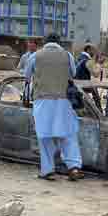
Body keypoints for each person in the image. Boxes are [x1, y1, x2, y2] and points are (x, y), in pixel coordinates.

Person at [24, 33, 84, 181]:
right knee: (68, 134)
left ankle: (48, 170)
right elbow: (74, 73)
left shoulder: (35, 56)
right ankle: (74, 168)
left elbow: (26, 76)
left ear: (45, 42)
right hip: (63, 101)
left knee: (44, 136)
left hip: (42, 101)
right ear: (59, 43)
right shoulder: (67, 55)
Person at [75, 43, 102, 110]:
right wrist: (99, 64)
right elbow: (95, 74)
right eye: (94, 51)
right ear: (89, 50)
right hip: (83, 87)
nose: (95, 53)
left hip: (78, 87)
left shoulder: (79, 58)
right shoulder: (86, 60)